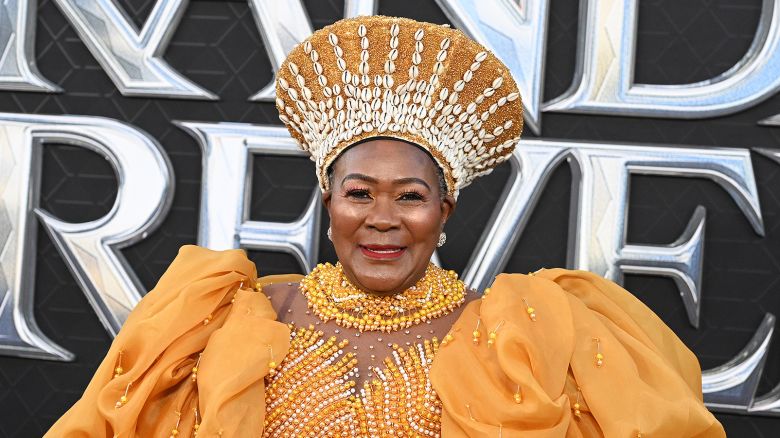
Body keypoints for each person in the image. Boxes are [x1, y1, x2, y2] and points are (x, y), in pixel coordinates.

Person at [46, 15, 725, 437]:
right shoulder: (229, 315)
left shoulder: (514, 334)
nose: (381, 218)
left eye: (410, 196)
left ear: (444, 212)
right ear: (327, 201)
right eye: (359, 192)